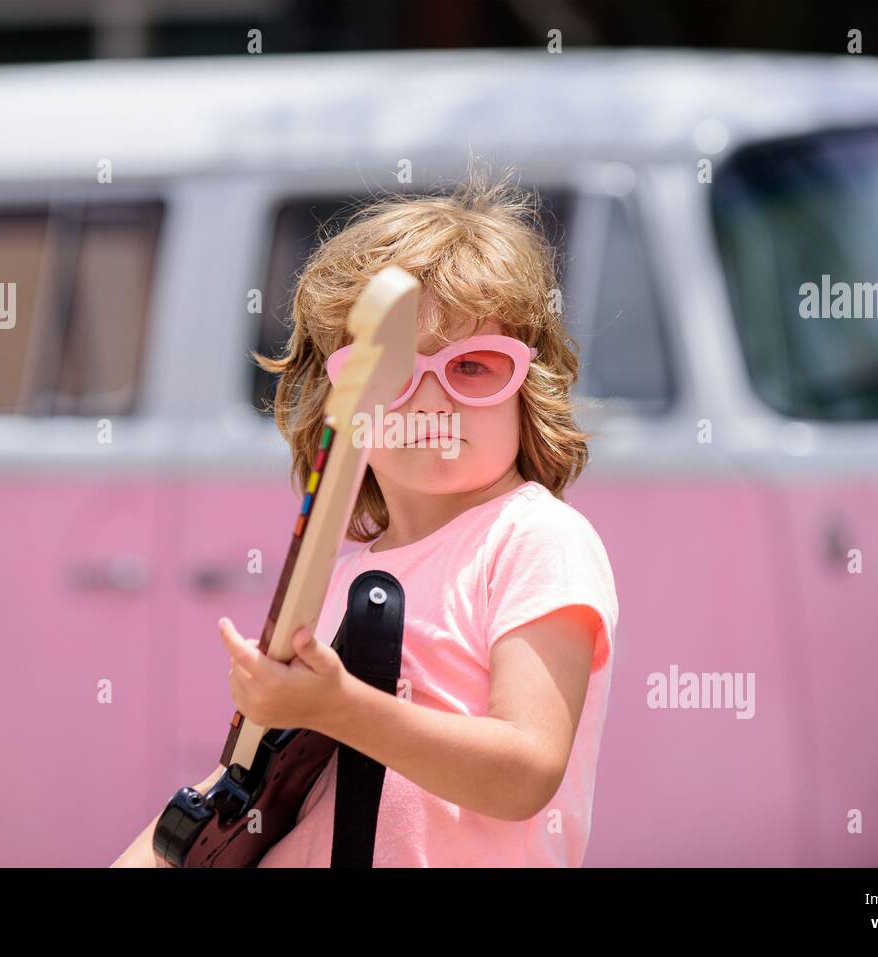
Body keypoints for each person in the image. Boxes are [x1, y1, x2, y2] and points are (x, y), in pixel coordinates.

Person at [113, 163, 618, 867]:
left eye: (474, 366)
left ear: (526, 388)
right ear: (340, 408)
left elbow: (525, 770)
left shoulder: (536, 538)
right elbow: (248, 785)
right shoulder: (342, 574)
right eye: (394, 374)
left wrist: (339, 706)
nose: (433, 402)